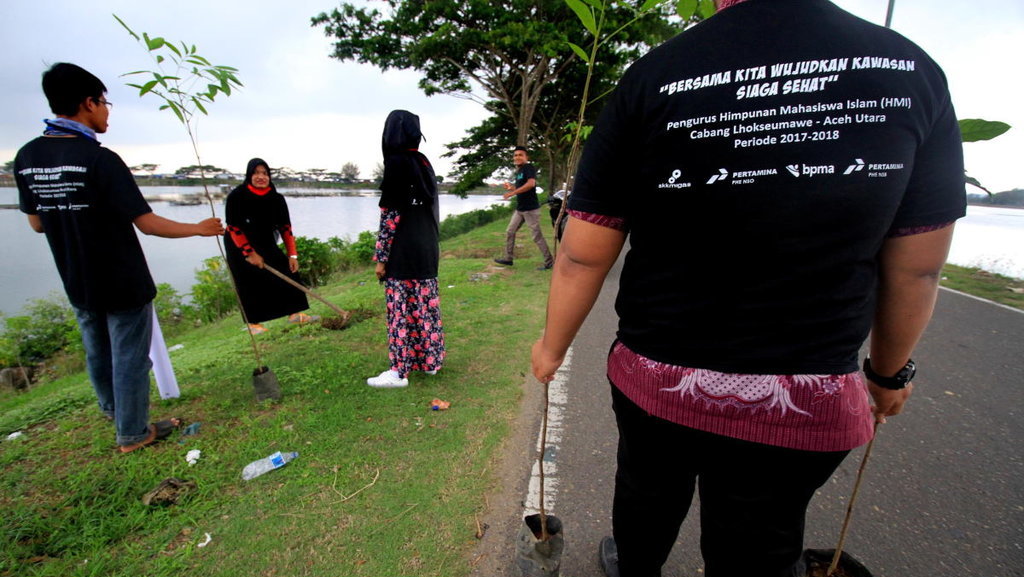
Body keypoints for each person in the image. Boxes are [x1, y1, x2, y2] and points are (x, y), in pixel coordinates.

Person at [530, 0, 967, 575]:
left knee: (646, 489)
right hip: (804, 396)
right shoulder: (911, 71)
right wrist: (888, 374)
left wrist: (552, 348)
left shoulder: (653, 75)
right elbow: (916, 266)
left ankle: (636, 566)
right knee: (760, 540)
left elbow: (583, 255)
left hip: (659, 379)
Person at [15, 63, 224, 453]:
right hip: (121, 278)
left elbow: (37, 225)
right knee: (129, 356)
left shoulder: (27, 157)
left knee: (98, 352)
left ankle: (114, 410)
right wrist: (198, 228)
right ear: (88, 103)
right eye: (104, 103)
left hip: (77, 278)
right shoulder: (100, 159)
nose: (107, 111)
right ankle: (132, 433)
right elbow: (147, 224)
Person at [366, 110, 445, 388]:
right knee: (424, 307)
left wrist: (381, 258)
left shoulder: (396, 162)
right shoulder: (423, 162)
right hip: (426, 247)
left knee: (400, 309)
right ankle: (430, 361)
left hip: (402, 249)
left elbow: (390, 215)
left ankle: (399, 372)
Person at [224, 158, 313, 334]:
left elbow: (286, 228)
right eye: (256, 173)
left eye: (265, 173)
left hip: (265, 240)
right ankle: (252, 323)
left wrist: (292, 255)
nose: (261, 177)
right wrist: (249, 253)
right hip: (238, 244)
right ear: (249, 175)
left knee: (287, 269)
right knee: (248, 279)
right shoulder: (237, 196)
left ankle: (294, 314)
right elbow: (233, 227)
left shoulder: (277, 198)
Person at [494, 146, 554, 271]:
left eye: (520, 155)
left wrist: (512, 193)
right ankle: (508, 259)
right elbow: (521, 188)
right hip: (520, 209)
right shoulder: (519, 171)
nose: (517, 157)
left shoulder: (528, 168)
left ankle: (549, 262)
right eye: (515, 155)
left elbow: (531, 184)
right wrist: (511, 188)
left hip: (530, 209)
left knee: (536, 236)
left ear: (526, 157)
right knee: (510, 231)